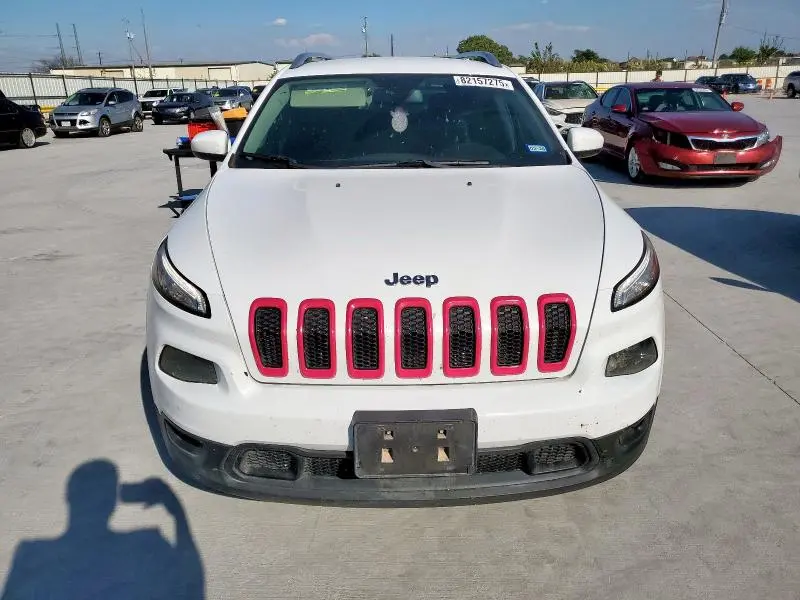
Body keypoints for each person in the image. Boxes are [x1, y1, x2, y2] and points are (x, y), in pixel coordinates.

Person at [1, 460, 205, 600]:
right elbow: (192, 587)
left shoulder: (30, 556)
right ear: (112, 503)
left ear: (68, 499)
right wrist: (177, 513)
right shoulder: (147, 545)